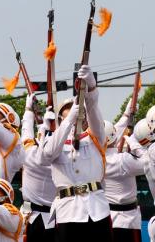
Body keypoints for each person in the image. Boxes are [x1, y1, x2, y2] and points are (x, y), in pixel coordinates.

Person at [41, 64, 111, 242]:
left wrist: (92, 89)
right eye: (67, 116)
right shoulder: (54, 141)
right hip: (68, 212)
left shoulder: (95, 137)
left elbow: (94, 112)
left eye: (80, 115)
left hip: (97, 210)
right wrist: (69, 120)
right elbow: (47, 154)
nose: (76, 119)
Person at [103, 119, 148, 242]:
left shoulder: (95, 159)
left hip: (105, 219)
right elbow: (150, 164)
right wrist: (135, 146)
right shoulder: (122, 160)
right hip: (127, 220)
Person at [20, 93, 57, 242]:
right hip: (56, 219)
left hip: (30, 218)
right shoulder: (64, 156)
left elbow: (26, 131)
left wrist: (29, 110)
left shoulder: (30, 153)